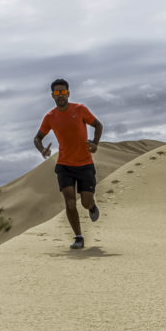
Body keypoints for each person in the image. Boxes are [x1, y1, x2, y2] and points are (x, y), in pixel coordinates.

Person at [34, 79, 104, 249]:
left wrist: (95, 143)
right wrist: (42, 149)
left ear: (68, 93)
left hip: (85, 163)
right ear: (52, 96)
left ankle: (92, 205)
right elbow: (37, 138)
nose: (60, 96)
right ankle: (79, 237)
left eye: (63, 92)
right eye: (57, 93)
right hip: (64, 165)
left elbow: (98, 125)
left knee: (85, 202)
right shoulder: (50, 117)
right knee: (70, 203)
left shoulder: (79, 110)